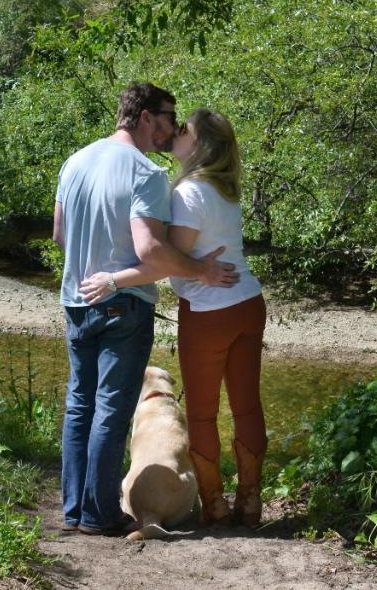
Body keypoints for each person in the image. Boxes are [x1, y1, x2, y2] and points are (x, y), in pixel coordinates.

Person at [53, 84, 238, 536]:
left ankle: (74, 510)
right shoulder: (146, 173)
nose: (173, 128)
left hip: (76, 299)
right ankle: (100, 515)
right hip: (123, 305)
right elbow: (151, 250)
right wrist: (200, 270)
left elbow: (59, 235)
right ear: (144, 117)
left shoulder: (74, 161)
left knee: (79, 405)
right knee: (111, 410)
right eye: (168, 117)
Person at [80, 108, 266, 528]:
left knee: (201, 414)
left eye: (184, 130)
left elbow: (167, 262)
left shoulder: (188, 193)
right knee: (247, 406)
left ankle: (215, 506)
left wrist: (115, 278)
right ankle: (251, 503)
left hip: (207, 311)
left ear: (198, 145)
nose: (176, 132)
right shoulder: (227, 189)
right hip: (249, 304)